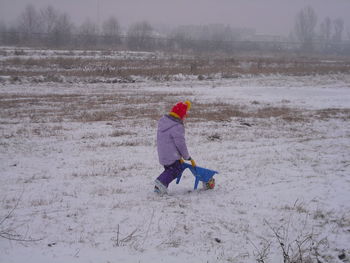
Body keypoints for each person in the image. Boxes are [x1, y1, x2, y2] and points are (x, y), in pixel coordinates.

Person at [154, 101, 196, 194]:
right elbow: (181, 144)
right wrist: (186, 157)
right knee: (176, 169)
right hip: (171, 155)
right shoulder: (177, 126)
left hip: (163, 153)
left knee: (169, 171)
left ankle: (161, 187)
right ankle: (160, 183)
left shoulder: (164, 121)